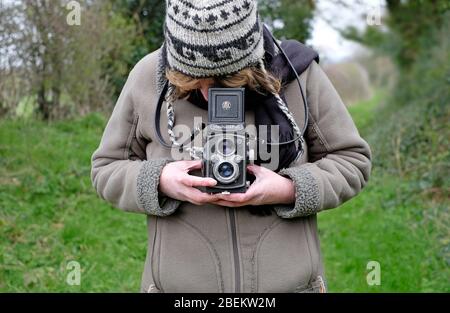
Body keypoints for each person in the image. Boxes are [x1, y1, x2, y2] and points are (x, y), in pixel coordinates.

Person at [90, 0, 372, 293]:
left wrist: (289, 189)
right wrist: (160, 181)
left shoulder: (298, 75)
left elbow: (351, 160)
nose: (210, 95)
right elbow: (106, 168)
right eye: (194, 81)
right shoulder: (148, 78)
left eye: (227, 80)